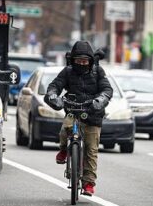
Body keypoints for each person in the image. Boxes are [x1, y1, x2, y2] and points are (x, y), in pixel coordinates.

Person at [44, 41, 113, 196]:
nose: (82, 63)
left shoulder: (98, 71)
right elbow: (55, 85)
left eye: (85, 60)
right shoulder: (67, 71)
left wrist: (100, 100)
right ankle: (63, 150)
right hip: (72, 109)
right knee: (65, 129)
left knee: (91, 149)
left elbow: (107, 89)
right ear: (73, 60)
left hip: (93, 113)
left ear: (90, 60)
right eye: (78, 60)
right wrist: (54, 96)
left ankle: (88, 183)